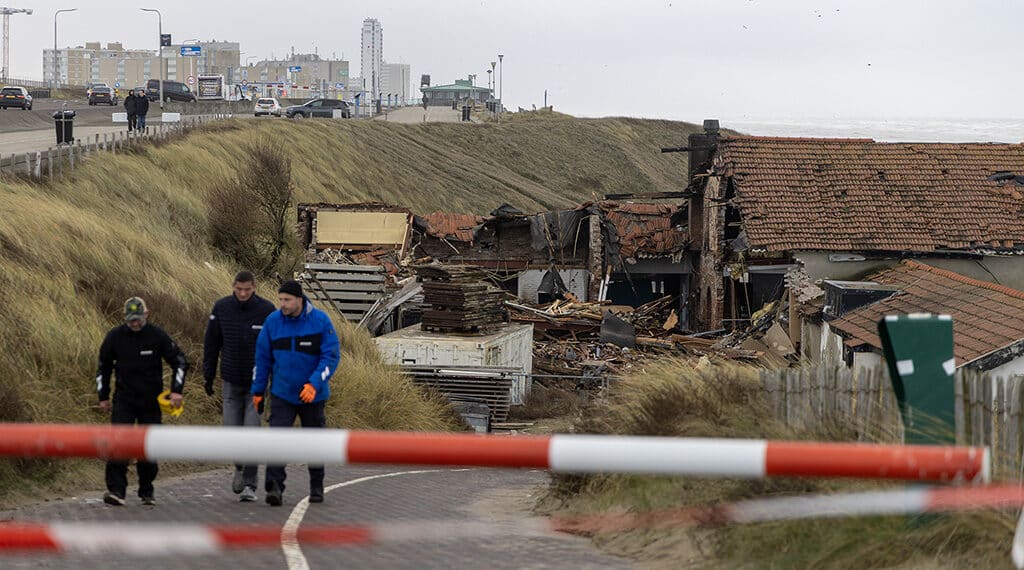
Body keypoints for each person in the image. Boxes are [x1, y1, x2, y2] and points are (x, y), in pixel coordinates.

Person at [251, 280, 339, 506]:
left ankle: (317, 485)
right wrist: (258, 391)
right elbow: (262, 359)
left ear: (300, 299)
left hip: (313, 395)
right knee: (278, 440)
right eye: (280, 299)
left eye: (287, 300)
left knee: (314, 442)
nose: (283, 304)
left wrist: (314, 384)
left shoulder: (320, 321)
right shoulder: (273, 322)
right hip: (282, 393)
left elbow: (330, 356)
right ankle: (274, 487)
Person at [95, 297, 189, 506]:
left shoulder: (157, 336)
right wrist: (103, 396)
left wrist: (176, 391)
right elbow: (103, 367)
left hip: (150, 401)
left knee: (148, 447)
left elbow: (180, 361)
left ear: (146, 315)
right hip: (124, 400)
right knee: (119, 444)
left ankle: (146, 489)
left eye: (138, 319)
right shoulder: (115, 337)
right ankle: (116, 490)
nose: (134, 324)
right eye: (130, 320)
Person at [203, 270, 275, 503]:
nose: (243, 293)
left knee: (252, 433)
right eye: (238, 289)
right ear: (233, 287)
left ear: (254, 287)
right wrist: (208, 374)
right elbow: (212, 343)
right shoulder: (222, 308)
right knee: (232, 431)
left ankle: (250, 485)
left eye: (247, 289)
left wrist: (274, 381)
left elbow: (275, 349)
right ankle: (239, 467)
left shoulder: (267, 311)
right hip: (231, 381)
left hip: (257, 384)